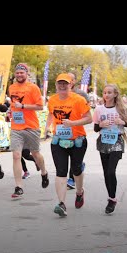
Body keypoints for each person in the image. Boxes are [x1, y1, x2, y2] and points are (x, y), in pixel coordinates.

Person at [45, 73, 92, 217]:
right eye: (60, 83)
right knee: (61, 171)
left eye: (65, 83)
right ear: (56, 85)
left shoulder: (79, 100)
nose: (62, 86)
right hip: (59, 140)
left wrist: (73, 123)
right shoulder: (52, 100)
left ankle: (79, 192)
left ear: (71, 85)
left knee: (76, 169)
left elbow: (89, 118)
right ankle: (61, 203)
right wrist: (47, 127)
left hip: (77, 140)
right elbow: (51, 114)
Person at [93, 84, 127, 214]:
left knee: (110, 172)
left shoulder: (121, 109)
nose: (106, 95)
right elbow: (96, 128)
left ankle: (111, 199)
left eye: (109, 92)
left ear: (115, 94)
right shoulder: (99, 109)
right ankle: (112, 198)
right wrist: (101, 125)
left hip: (117, 142)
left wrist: (123, 123)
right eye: (104, 92)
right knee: (105, 173)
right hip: (103, 142)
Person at [7, 63, 49, 199]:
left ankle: (44, 172)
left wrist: (23, 106)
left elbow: (40, 107)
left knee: (35, 154)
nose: (19, 75)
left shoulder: (33, 88)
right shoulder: (11, 87)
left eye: (22, 73)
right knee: (16, 156)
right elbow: (14, 105)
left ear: (27, 74)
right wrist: (9, 112)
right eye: (17, 72)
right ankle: (19, 186)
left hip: (31, 126)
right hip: (16, 127)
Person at [66, 72, 87, 190]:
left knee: (74, 159)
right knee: (67, 156)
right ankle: (77, 169)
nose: (68, 81)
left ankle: (71, 178)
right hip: (64, 130)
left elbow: (87, 111)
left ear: (74, 81)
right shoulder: (60, 93)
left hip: (77, 130)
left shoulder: (81, 94)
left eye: (71, 79)